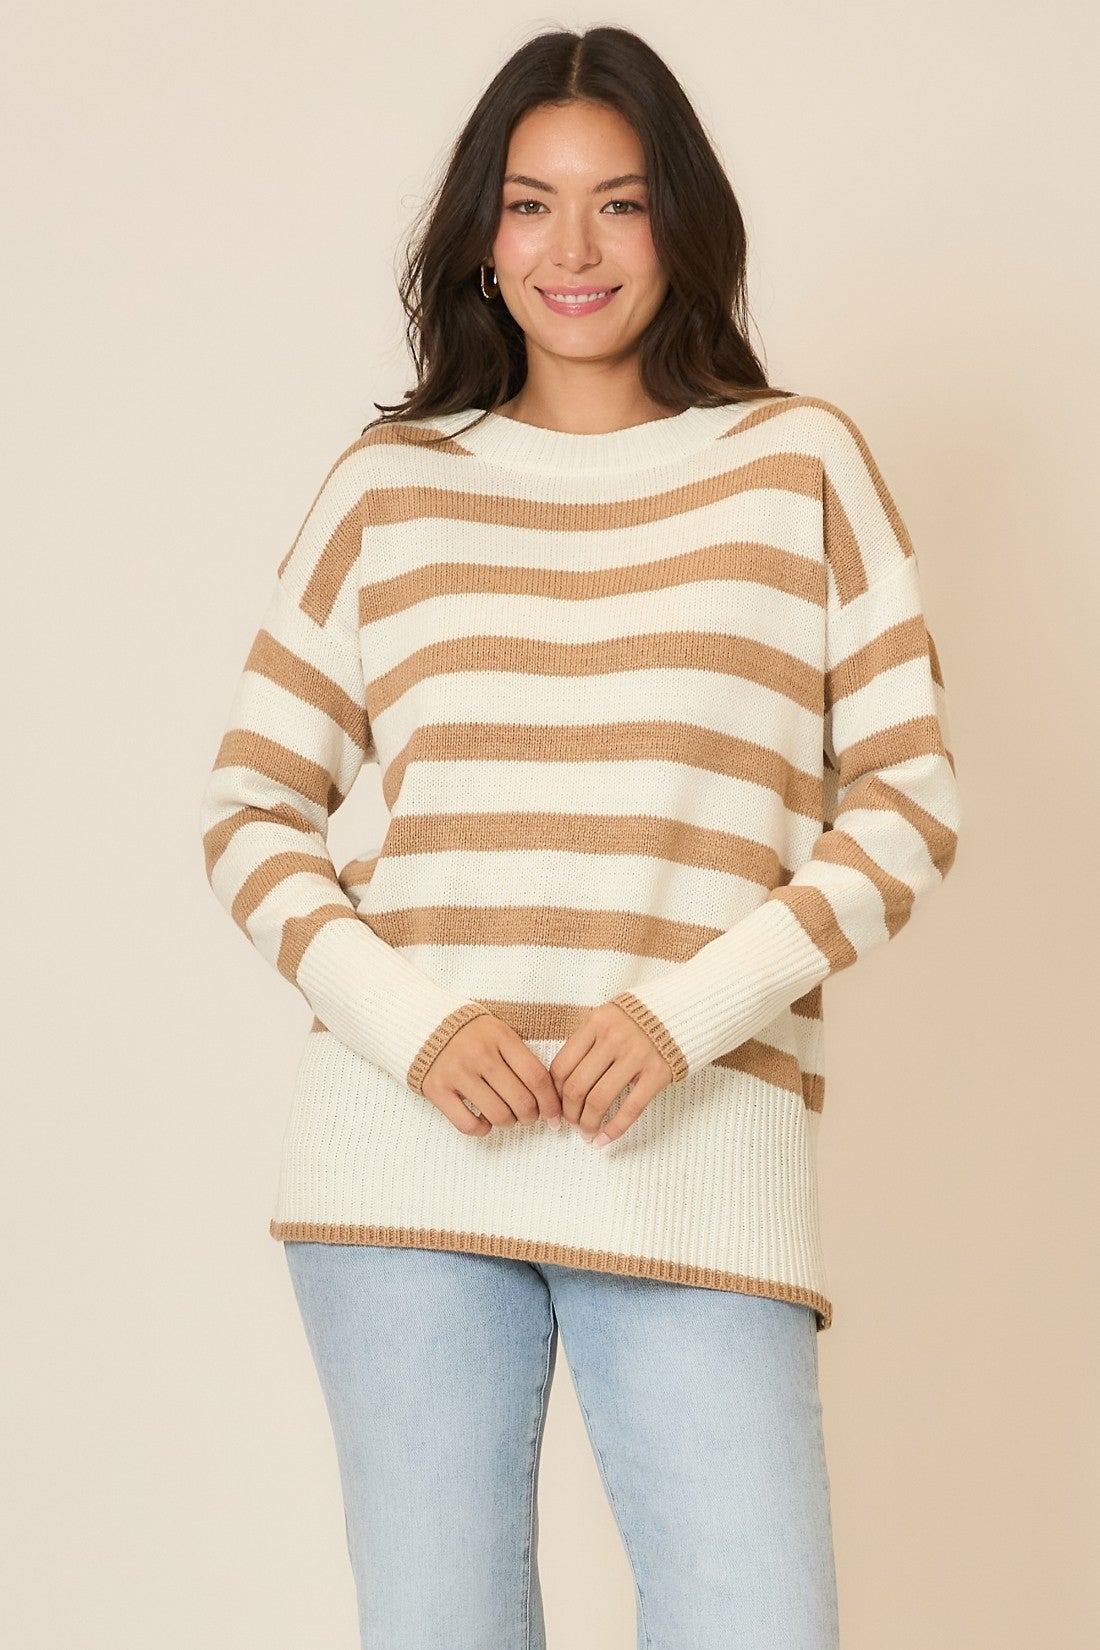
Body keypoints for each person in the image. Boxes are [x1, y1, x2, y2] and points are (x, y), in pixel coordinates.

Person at [198, 25, 960, 1650]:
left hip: (693, 1147)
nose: (574, 248)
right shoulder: (390, 487)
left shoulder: (797, 464)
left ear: (681, 222)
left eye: (619, 201)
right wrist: (411, 1024)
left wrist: (686, 1013)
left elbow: (908, 803)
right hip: (404, 1158)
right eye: (531, 203)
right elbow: (252, 805)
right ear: (482, 234)